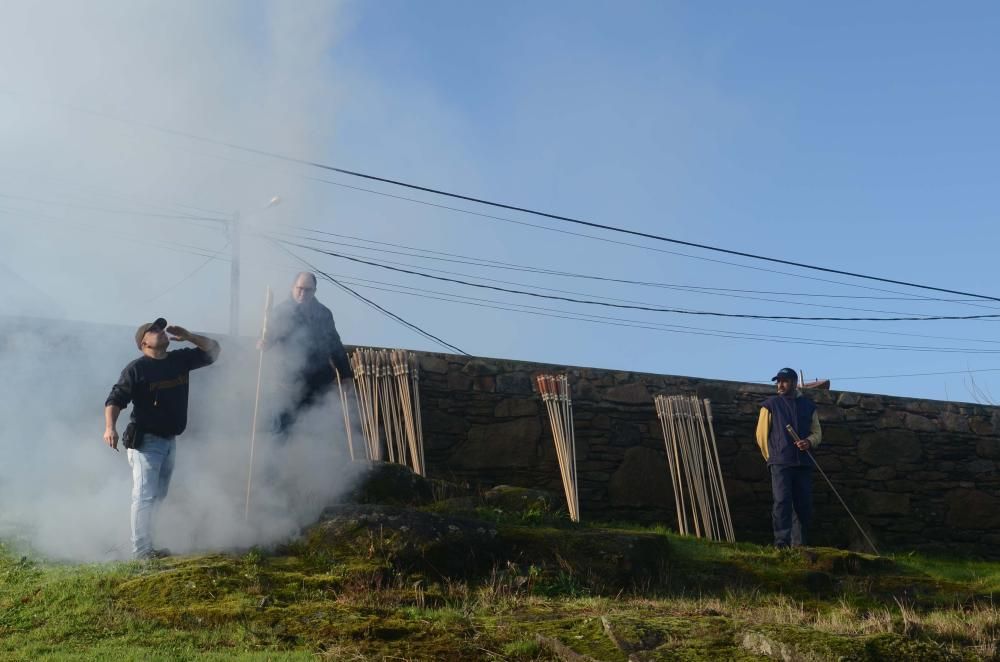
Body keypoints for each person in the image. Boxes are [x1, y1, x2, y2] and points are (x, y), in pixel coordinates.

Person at [104, 318, 221, 559]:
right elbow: (115, 400)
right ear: (143, 342)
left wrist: (189, 335)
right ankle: (141, 551)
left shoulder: (180, 360)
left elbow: (214, 351)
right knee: (145, 496)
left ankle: (149, 546)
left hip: (169, 440)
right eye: (154, 329)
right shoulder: (137, 369)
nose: (161, 331)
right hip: (145, 442)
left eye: (161, 328)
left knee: (158, 497)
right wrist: (110, 428)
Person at [261, 272, 353, 436]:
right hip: (289, 383)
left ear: (315, 291)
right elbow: (269, 336)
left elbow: (335, 345)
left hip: (319, 382)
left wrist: (345, 374)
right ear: (293, 287)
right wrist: (263, 342)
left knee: (318, 432)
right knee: (282, 432)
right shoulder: (281, 312)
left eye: (308, 290)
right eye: (300, 289)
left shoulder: (324, 313)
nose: (303, 294)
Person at [755, 367, 823, 547]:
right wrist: (772, 458)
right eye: (778, 381)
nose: (780, 384)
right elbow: (761, 436)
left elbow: (817, 433)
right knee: (782, 502)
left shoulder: (809, 406)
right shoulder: (770, 405)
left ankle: (800, 545)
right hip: (780, 463)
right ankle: (781, 544)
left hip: (803, 463)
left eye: (784, 381)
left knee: (804, 504)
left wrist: (808, 442)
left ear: (794, 382)